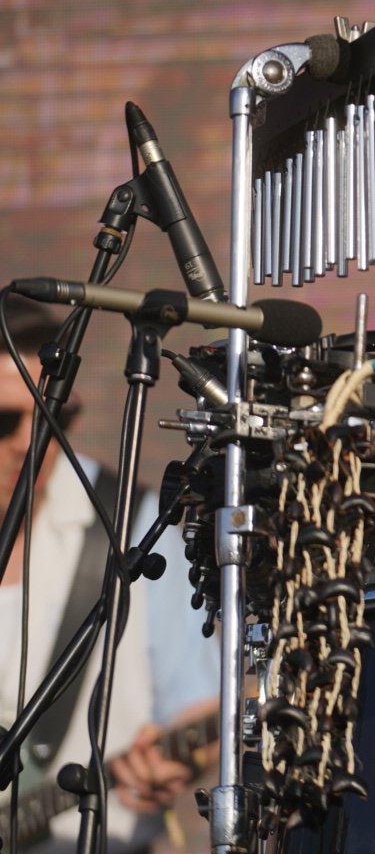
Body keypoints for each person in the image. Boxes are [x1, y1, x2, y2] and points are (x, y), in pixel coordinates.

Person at [2, 295, 219, 854]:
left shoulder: (135, 525)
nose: (31, 440)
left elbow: (204, 703)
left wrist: (180, 760)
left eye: (55, 415)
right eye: (4, 421)